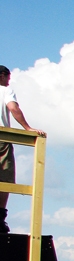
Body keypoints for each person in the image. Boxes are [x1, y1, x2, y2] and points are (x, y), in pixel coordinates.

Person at [0, 66, 45, 234]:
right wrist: (27, 127)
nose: (8, 82)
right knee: (5, 177)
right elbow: (13, 108)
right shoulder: (5, 91)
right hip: (2, 137)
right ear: (3, 76)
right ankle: (0, 217)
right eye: (8, 78)